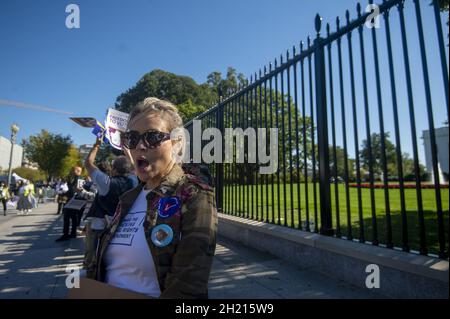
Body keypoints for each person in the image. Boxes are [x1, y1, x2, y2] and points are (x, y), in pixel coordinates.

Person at [89, 97, 217, 299]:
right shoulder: (127, 199)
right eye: (131, 138)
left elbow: (188, 284)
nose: (140, 146)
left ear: (176, 143)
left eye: (152, 136)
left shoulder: (193, 195)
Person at [82, 147, 138, 276]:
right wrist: (128, 152)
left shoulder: (106, 183)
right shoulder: (134, 181)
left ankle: (90, 281)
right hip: (123, 227)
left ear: (113, 170)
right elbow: (134, 168)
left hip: (100, 228)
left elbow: (88, 164)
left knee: (93, 258)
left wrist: (96, 145)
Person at [55, 167, 84, 241]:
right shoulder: (78, 178)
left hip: (72, 201)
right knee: (74, 217)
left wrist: (65, 193)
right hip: (75, 201)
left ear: (78, 171)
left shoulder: (77, 179)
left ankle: (66, 234)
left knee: (67, 217)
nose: (72, 171)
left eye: (74, 170)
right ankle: (73, 233)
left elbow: (72, 190)